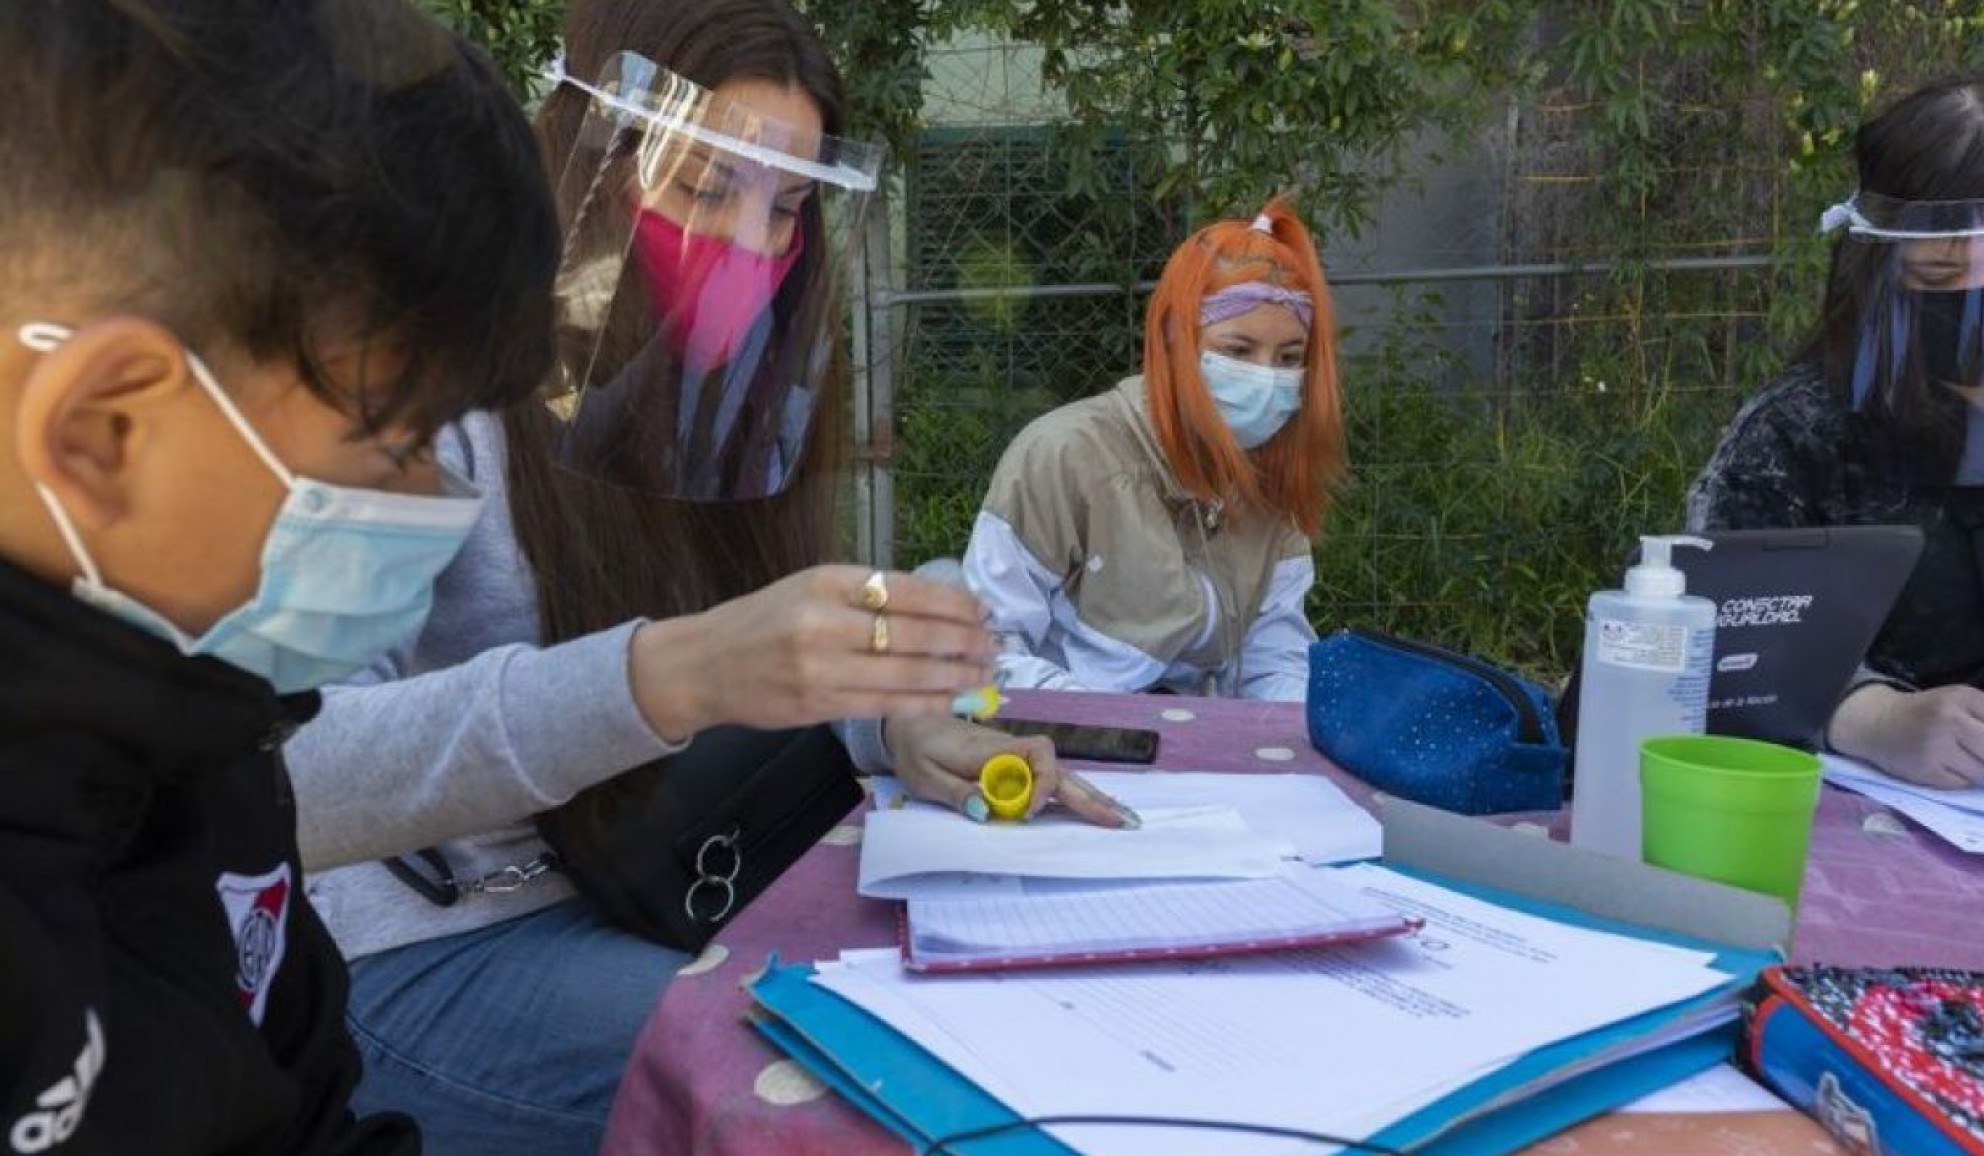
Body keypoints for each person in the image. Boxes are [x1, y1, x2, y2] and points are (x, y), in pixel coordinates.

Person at [282, 2, 1129, 1152]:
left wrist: (897, 725)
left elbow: (770, 658)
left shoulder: (711, 398)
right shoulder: (419, 387)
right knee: (875, 1095)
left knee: (1025, 1018)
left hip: (664, 888)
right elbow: (293, 768)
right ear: (587, 162)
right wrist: (663, 675)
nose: (750, 243)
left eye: (787, 206)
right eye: (703, 185)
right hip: (426, 956)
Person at [0, 1, 559, 1152]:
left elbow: (314, 1103)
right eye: (396, 448)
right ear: (105, 430)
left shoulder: (207, 721)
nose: (431, 514)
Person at [1688, 59, 1984, 789]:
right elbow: (1710, 639)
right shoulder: (1803, 435)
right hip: (1877, 835)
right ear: (1884, 272)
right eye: (1946, 281)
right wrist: (1871, 716)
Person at [962, 200, 1346, 700]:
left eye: (1289, 357)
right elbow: (987, 647)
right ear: (1174, 338)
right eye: (1238, 351)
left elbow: (1275, 653)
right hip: (1063, 747)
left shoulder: (1276, 471)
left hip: (1204, 751)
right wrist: (1116, 729)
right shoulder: (1065, 453)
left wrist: (1284, 740)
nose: (1266, 376)